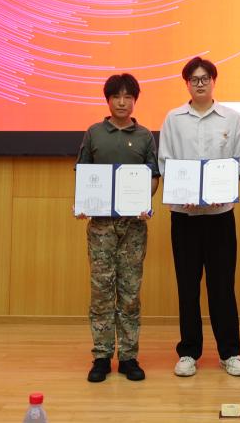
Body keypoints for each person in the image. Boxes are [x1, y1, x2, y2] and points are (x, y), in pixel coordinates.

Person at [158, 57, 240, 377]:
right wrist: (183, 189)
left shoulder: (232, 119)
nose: (200, 84)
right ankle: (189, 352)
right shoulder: (173, 119)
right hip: (184, 217)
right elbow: (165, 163)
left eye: (205, 78)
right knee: (187, 286)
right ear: (187, 84)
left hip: (219, 215)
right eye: (194, 79)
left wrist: (221, 187)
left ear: (213, 81)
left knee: (222, 285)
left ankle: (230, 352)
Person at [76, 73, 159, 383]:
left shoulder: (145, 136)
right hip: (100, 226)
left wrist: (145, 200)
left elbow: (153, 177)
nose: (122, 102)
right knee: (101, 291)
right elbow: (83, 173)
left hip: (134, 226)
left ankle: (128, 356)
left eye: (128, 97)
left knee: (130, 292)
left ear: (135, 101)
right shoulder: (94, 133)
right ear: (108, 100)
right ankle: (101, 356)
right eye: (116, 96)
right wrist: (83, 202)